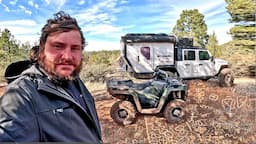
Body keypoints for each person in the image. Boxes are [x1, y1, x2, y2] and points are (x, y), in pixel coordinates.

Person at [0, 11, 102, 143]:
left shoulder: (74, 80)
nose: (67, 56)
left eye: (75, 48)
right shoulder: (21, 94)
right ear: (42, 50)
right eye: (58, 46)